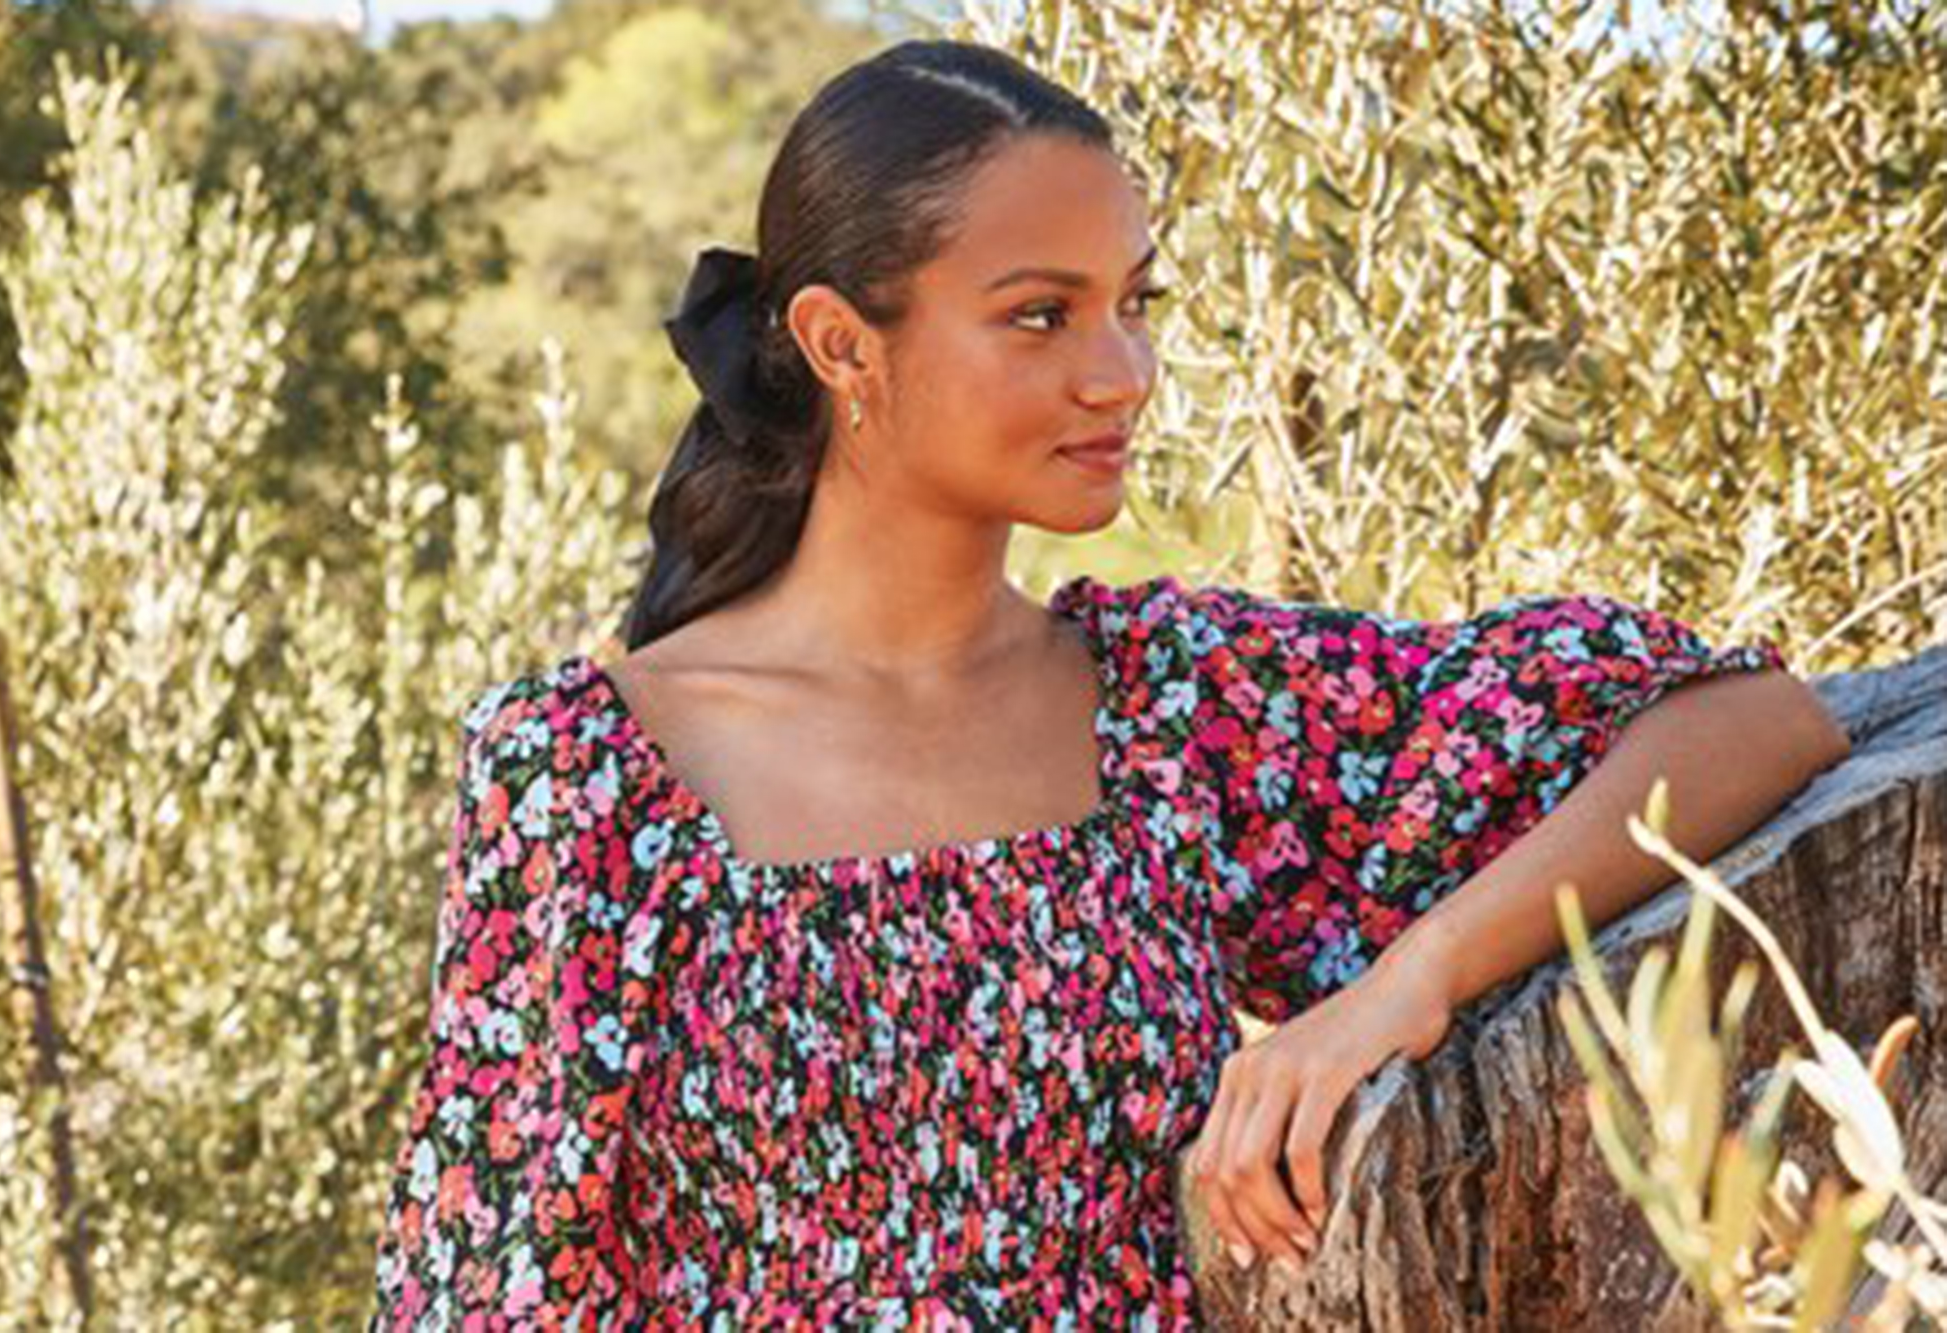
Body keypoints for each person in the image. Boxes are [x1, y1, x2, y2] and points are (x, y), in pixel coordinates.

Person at [367, 36, 1851, 1331]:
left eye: (1134, 302)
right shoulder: (592, 774)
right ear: (839, 344)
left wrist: (1402, 983)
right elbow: (482, 1288)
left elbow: (1746, 723)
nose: (1124, 369)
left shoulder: (1177, 709)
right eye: (1040, 314)